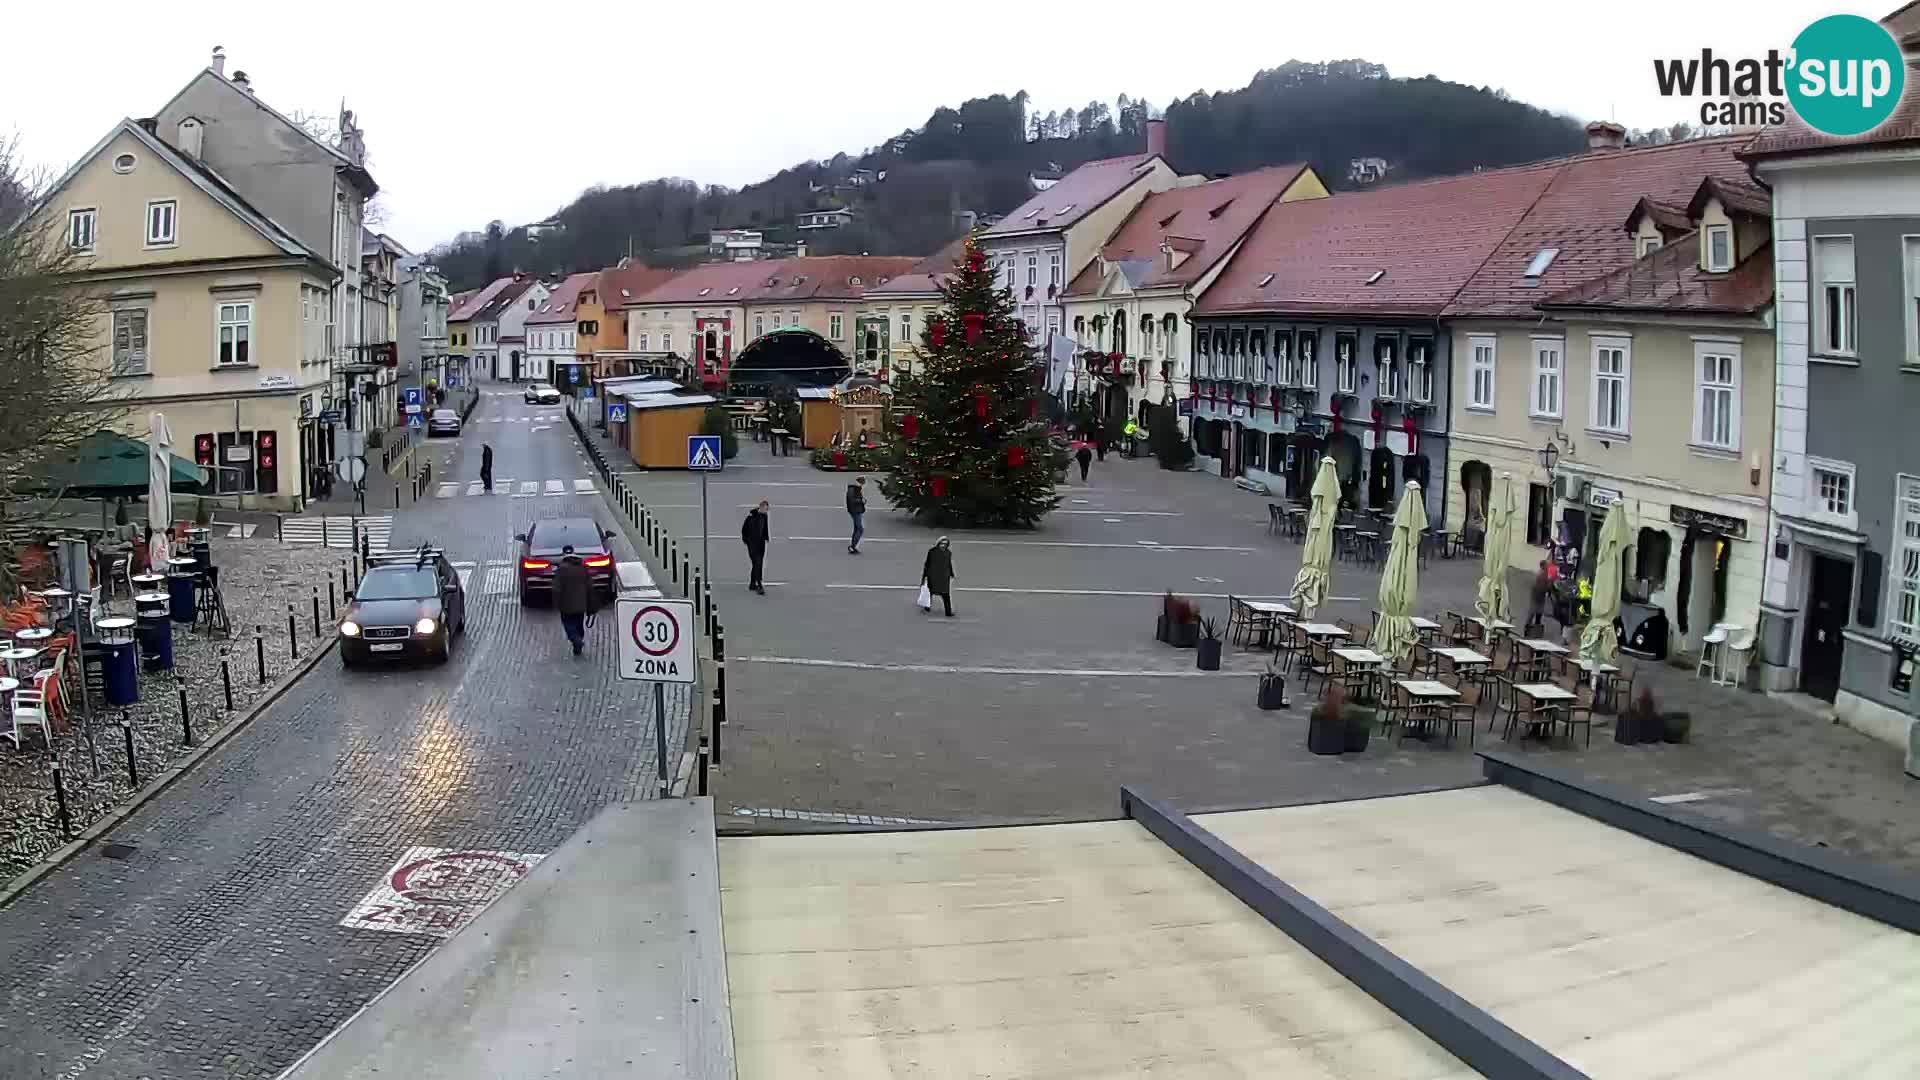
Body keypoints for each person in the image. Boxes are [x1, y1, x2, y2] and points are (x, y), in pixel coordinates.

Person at [553, 546, 593, 655]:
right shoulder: (583, 568)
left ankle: (576, 640)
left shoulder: (561, 569)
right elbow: (590, 586)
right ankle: (578, 643)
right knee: (579, 624)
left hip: (566, 605)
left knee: (568, 624)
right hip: (581, 604)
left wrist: (556, 603)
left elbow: (556, 588)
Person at [741, 499, 770, 594]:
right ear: (760, 507)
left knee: (757, 563)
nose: (766, 511)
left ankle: (753, 583)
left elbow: (765, 527)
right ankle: (759, 584)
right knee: (757, 563)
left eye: (767, 509)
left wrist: (766, 537)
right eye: (765, 509)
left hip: (761, 544)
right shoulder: (751, 517)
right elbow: (744, 528)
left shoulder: (764, 516)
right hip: (752, 544)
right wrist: (746, 540)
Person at [921, 536, 955, 617]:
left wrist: (951, 573)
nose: (943, 545)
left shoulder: (948, 553)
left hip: (944, 577)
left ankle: (948, 611)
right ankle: (927, 606)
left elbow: (948, 564)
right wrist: (925, 575)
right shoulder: (932, 552)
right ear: (938, 543)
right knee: (930, 592)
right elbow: (927, 564)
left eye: (945, 544)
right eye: (942, 543)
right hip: (933, 576)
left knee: (946, 595)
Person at [1527, 560, 1552, 638]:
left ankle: (1531, 630)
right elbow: (1543, 587)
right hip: (1538, 597)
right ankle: (1532, 631)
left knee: (1535, 614)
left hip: (1537, 597)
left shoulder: (1541, 574)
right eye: (1546, 566)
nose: (1548, 567)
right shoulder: (1542, 575)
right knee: (1535, 613)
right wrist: (1549, 585)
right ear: (1543, 566)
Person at [846, 476, 867, 554]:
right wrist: (861, 501)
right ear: (860, 482)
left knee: (856, 528)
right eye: (863, 483)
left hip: (857, 510)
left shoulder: (856, 488)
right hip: (855, 511)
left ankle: (853, 546)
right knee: (860, 529)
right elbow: (852, 500)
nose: (863, 485)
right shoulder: (853, 489)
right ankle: (852, 547)